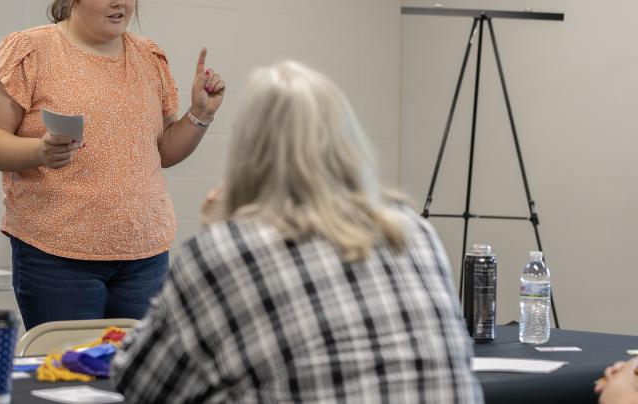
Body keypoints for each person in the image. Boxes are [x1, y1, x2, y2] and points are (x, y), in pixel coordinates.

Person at [111, 60, 482, 403]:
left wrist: (216, 233)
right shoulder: (413, 231)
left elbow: (142, 385)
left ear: (249, 152)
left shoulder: (229, 249)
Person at [0, 0, 225, 330]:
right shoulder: (32, 48)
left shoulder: (148, 55)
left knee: (134, 380)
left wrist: (199, 116)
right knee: (68, 381)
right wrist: (39, 150)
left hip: (144, 254)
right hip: (57, 255)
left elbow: (165, 151)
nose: (119, 2)